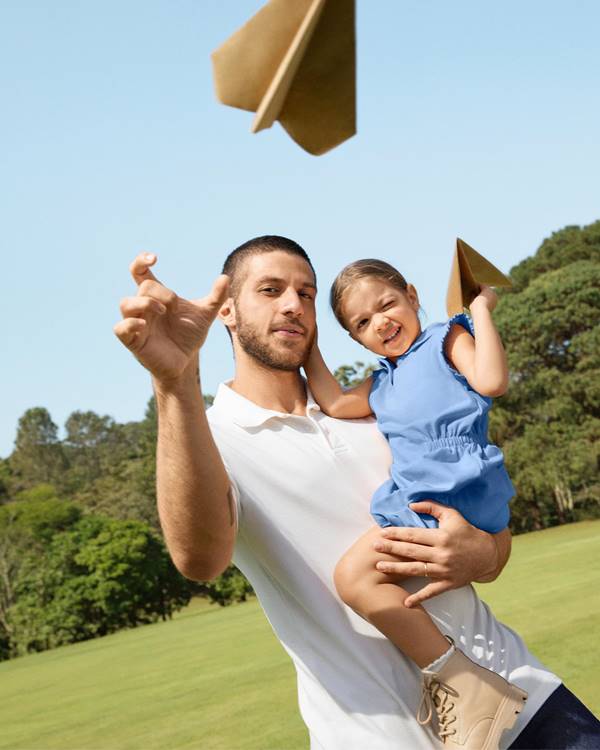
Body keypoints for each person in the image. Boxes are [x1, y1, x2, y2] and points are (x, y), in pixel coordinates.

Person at [114, 235, 599, 750]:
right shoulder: (210, 442)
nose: (292, 305)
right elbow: (198, 559)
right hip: (381, 738)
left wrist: (481, 551)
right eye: (271, 289)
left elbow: (490, 545)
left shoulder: (379, 408)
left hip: (526, 702)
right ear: (228, 311)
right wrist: (176, 383)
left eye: (306, 292)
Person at [303, 258, 526, 747]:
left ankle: (466, 686)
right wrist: (309, 346)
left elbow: (490, 382)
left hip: (455, 489)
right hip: (428, 497)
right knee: (364, 579)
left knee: (353, 578)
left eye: (387, 305)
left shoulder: (446, 340)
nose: (380, 322)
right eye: (362, 323)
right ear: (357, 339)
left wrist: (481, 309)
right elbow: (337, 404)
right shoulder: (383, 381)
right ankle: (462, 678)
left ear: (411, 294)